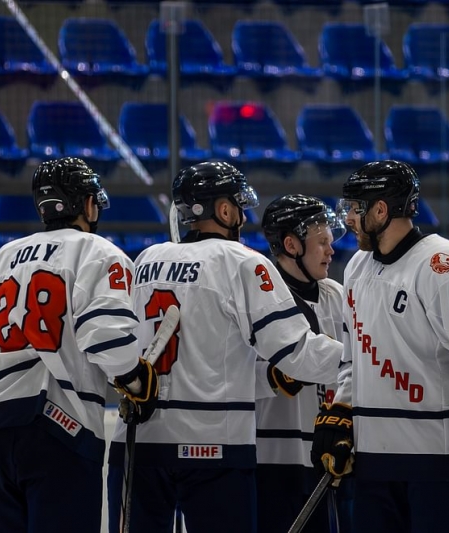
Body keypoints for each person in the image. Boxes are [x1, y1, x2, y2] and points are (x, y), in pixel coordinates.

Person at [105, 161, 343, 533]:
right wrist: (357, 360)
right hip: (213, 446)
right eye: (238, 206)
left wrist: (267, 377)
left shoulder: (146, 260)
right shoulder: (243, 262)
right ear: (224, 209)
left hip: (139, 442)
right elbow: (295, 351)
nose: (243, 216)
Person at [311, 160, 449, 533]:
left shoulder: (442, 264)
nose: (348, 219)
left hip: (439, 463)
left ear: (380, 210)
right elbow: (354, 358)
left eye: (353, 208)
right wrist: (343, 411)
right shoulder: (356, 269)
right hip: (373, 464)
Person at [0, 157, 158, 533]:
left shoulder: (5, 256)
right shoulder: (99, 252)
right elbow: (108, 336)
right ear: (86, 203)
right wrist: (134, 379)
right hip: (58, 424)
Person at [256, 194, 351, 533]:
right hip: (271, 460)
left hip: (328, 455)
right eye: (322, 242)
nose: (331, 250)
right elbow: (227, 373)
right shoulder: (259, 296)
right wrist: (269, 377)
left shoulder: (336, 295)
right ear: (292, 244)